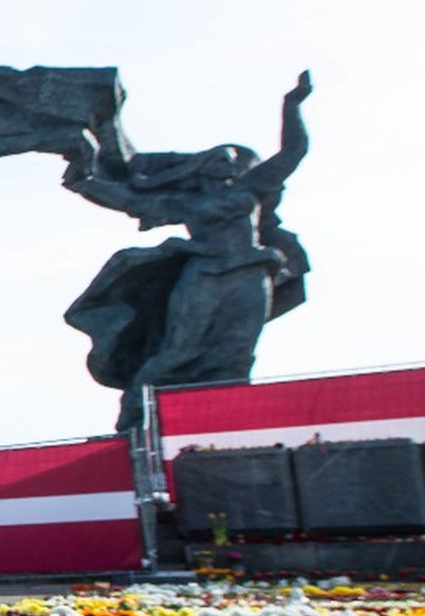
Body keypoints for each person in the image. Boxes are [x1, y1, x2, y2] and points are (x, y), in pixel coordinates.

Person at [60, 72, 314, 431]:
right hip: (206, 276)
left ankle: (229, 428)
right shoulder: (185, 201)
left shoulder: (251, 188)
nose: (234, 163)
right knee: (179, 350)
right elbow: (128, 198)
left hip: (250, 274)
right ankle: (137, 413)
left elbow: (293, 152)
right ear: (205, 166)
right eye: (224, 158)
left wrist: (293, 104)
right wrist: (84, 182)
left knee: (237, 356)